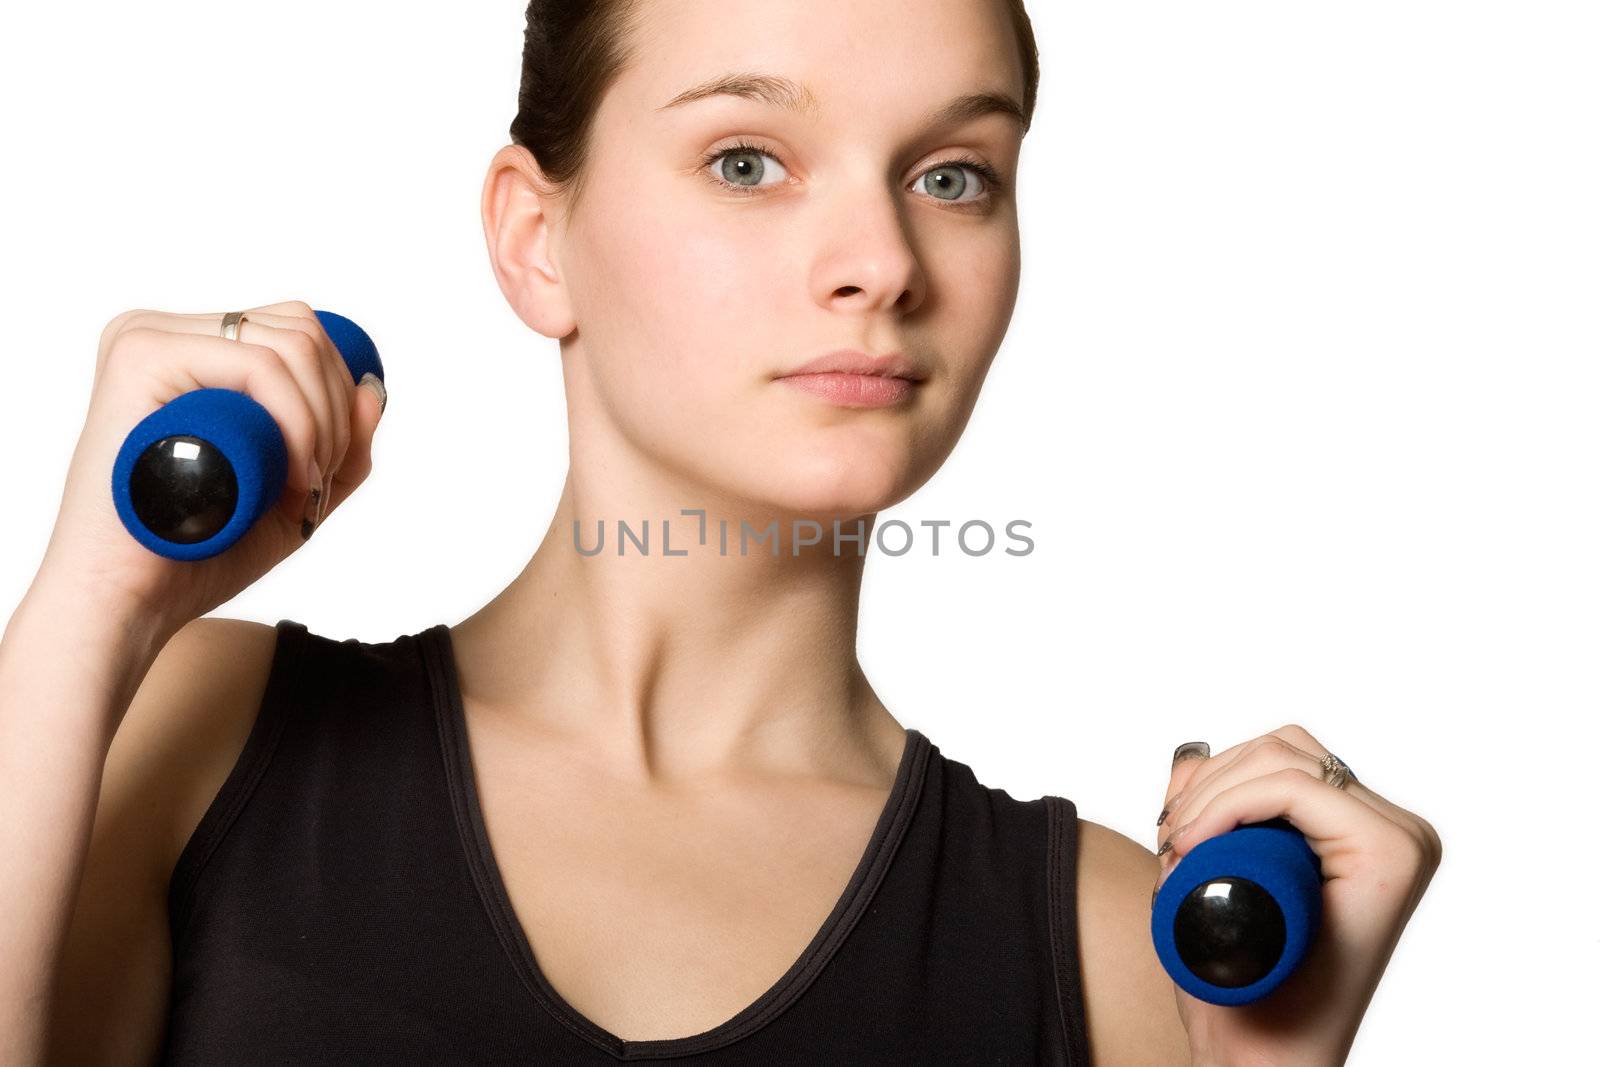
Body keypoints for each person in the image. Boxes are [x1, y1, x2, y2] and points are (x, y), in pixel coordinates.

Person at [1, 0, 1441, 1063]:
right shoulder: (195, 739)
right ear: (533, 238)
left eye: (954, 176)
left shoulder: (1127, 956)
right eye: (750, 160)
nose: (882, 263)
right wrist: (84, 616)